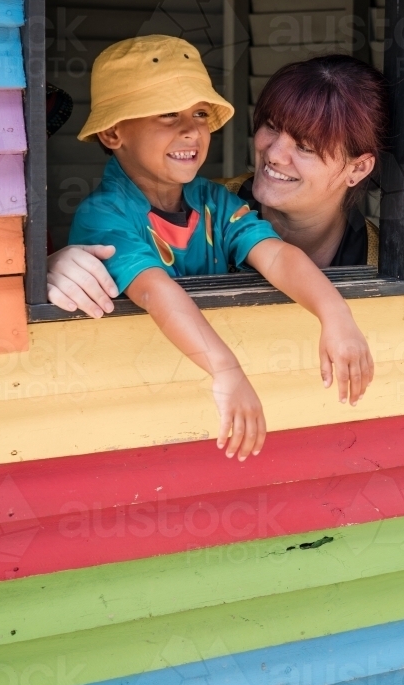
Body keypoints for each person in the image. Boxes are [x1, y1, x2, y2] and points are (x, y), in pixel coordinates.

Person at [66, 35, 373, 462]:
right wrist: (226, 368)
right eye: (168, 114)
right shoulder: (104, 216)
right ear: (114, 132)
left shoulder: (215, 202)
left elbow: (278, 254)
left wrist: (335, 313)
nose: (191, 129)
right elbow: (156, 291)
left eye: (199, 113)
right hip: (138, 423)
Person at [48, 53, 386, 308]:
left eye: (305, 146)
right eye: (271, 126)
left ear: (358, 169)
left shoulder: (385, 261)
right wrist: (56, 269)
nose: (274, 154)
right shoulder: (206, 206)